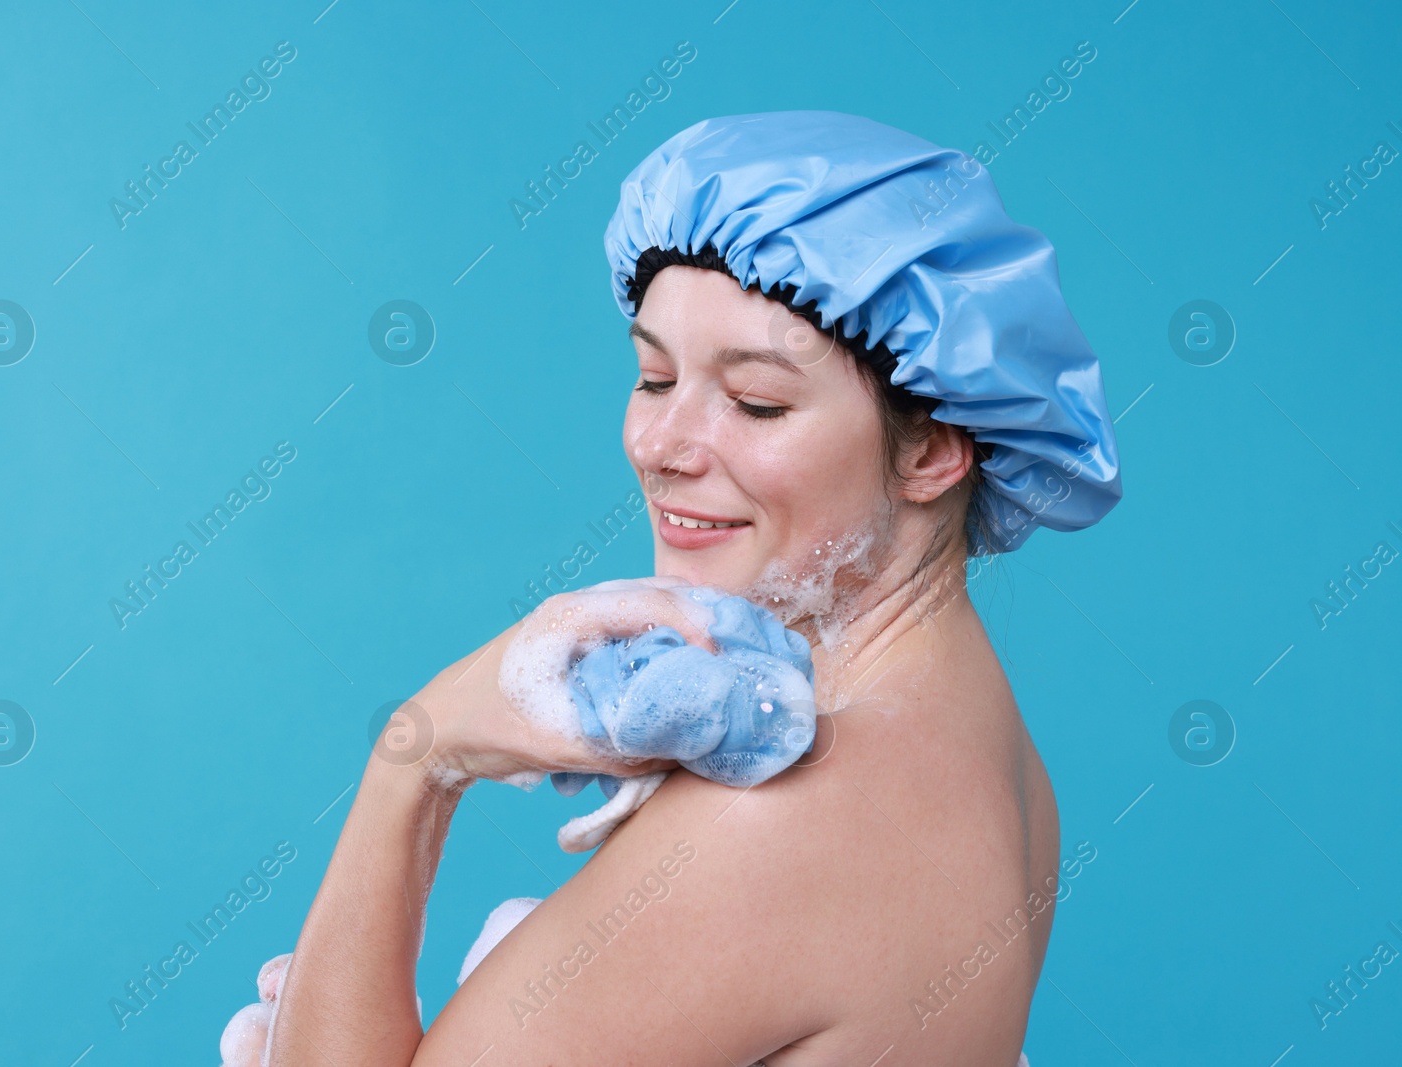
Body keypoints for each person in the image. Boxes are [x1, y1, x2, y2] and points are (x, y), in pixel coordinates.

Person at [264, 110, 1122, 1066]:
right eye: (654, 376)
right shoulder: (988, 753)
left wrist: (419, 753)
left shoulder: (785, 816)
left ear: (931, 447)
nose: (660, 447)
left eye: (756, 401)